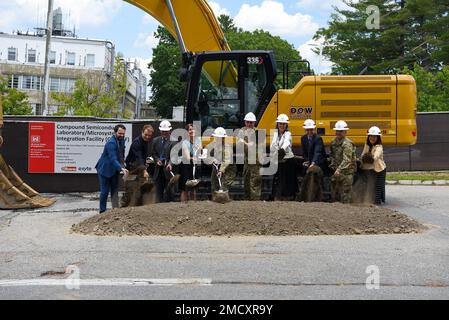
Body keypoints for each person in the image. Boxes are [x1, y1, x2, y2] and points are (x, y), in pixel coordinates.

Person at [95, 124, 128, 213]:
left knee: (115, 190)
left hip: (114, 170)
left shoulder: (122, 140)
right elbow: (113, 158)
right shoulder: (111, 143)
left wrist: (123, 166)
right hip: (104, 169)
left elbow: (121, 155)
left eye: (123, 134)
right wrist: (121, 168)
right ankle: (102, 211)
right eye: (119, 133)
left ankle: (115, 209)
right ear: (114, 132)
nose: (121, 135)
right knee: (104, 191)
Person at [121, 124, 154, 207]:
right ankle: (124, 208)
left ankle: (138, 206)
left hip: (139, 168)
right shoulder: (137, 143)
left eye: (149, 135)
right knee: (130, 190)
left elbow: (143, 157)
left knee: (139, 189)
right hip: (131, 169)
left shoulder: (145, 141)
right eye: (145, 135)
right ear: (142, 132)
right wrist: (144, 170)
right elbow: (139, 157)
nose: (147, 137)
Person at [329, 120, 356, 204]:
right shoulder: (333, 142)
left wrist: (339, 170)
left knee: (345, 194)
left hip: (347, 172)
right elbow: (332, 155)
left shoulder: (347, 144)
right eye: (337, 131)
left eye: (341, 131)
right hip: (337, 171)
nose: (338, 133)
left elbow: (347, 160)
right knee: (335, 194)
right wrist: (332, 165)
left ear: (345, 132)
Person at [270, 114, 297, 200]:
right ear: (277, 124)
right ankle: (277, 196)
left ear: (286, 125)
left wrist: (281, 150)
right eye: (280, 124)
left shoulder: (288, 133)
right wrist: (277, 151)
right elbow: (273, 144)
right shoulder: (275, 133)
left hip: (288, 160)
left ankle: (288, 197)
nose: (282, 125)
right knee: (278, 179)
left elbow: (286, 142)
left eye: (283, 124)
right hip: (279, 160)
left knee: (288, 179)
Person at [299, 119, 327, 202]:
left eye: (311, 130)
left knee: (313, 173)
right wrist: (307, 161)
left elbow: (317, 152)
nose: (309, 132)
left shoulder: (318, 139)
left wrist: (313, 163)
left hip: (319, 163)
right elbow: (305, 153)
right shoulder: (303, 138)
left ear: (314, 129)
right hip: (310, 163)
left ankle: (317, 196)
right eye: (308, 130)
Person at [237, 112, 261, 200]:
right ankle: (247, 202)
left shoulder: (258, 132)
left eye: (251, 122)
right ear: (245, 122)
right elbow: (239, 142)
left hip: (256, 162)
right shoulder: (242, 131)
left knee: (255, 182)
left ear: (254, 123)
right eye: (248, 122)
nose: (249, 124)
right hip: (247, 161)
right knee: (246, 181)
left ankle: (255, 201)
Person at [360, 126, 386, 205]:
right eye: (371, 136)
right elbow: (363, 153)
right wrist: (360, 160)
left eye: (375, 136)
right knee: (370, 185)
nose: (373, 138)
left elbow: (376, 156)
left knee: (378, 186)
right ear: (368, 137)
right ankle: (370, 200)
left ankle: (377, 203)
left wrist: (371, 158)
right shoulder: (367, 144)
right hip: (369, 168)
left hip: (379, 169)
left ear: (378, 138)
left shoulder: (379, 147)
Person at [151, 120, 174, 202]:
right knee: (158, 192)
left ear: (170, 131)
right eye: (162, 131)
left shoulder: (173, 141)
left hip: (168, 171)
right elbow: (153, 153)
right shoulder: (155, 141)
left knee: (169, 193)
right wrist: (157, 160)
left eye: (166, 131)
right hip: (158, 170)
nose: (164, 133)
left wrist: (170, 164)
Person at [179, 123, 202, 202]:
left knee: (194, 187)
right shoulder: (185, 142)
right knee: (185, 188)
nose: (192, 131)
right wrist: (193, 158)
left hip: (194, 166)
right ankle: (183, 206)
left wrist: (199, 149)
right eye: (189, 130)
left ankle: (193, 206)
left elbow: (200, 152)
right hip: (185, 166)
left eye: (193, 129)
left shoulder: (198, 140)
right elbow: (188, 157)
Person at [210, 127, 237, 193]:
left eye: (219, 137)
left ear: (223, 138)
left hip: (228, 169)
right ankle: (215, 199)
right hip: (216, 168)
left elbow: (227, 160)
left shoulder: (227, 147)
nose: (217, 139)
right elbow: (209, 154)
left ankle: (225, 199)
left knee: (224, 187)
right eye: (216, 137)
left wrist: (221, 171)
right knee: (214, 186)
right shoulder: (214, 145)